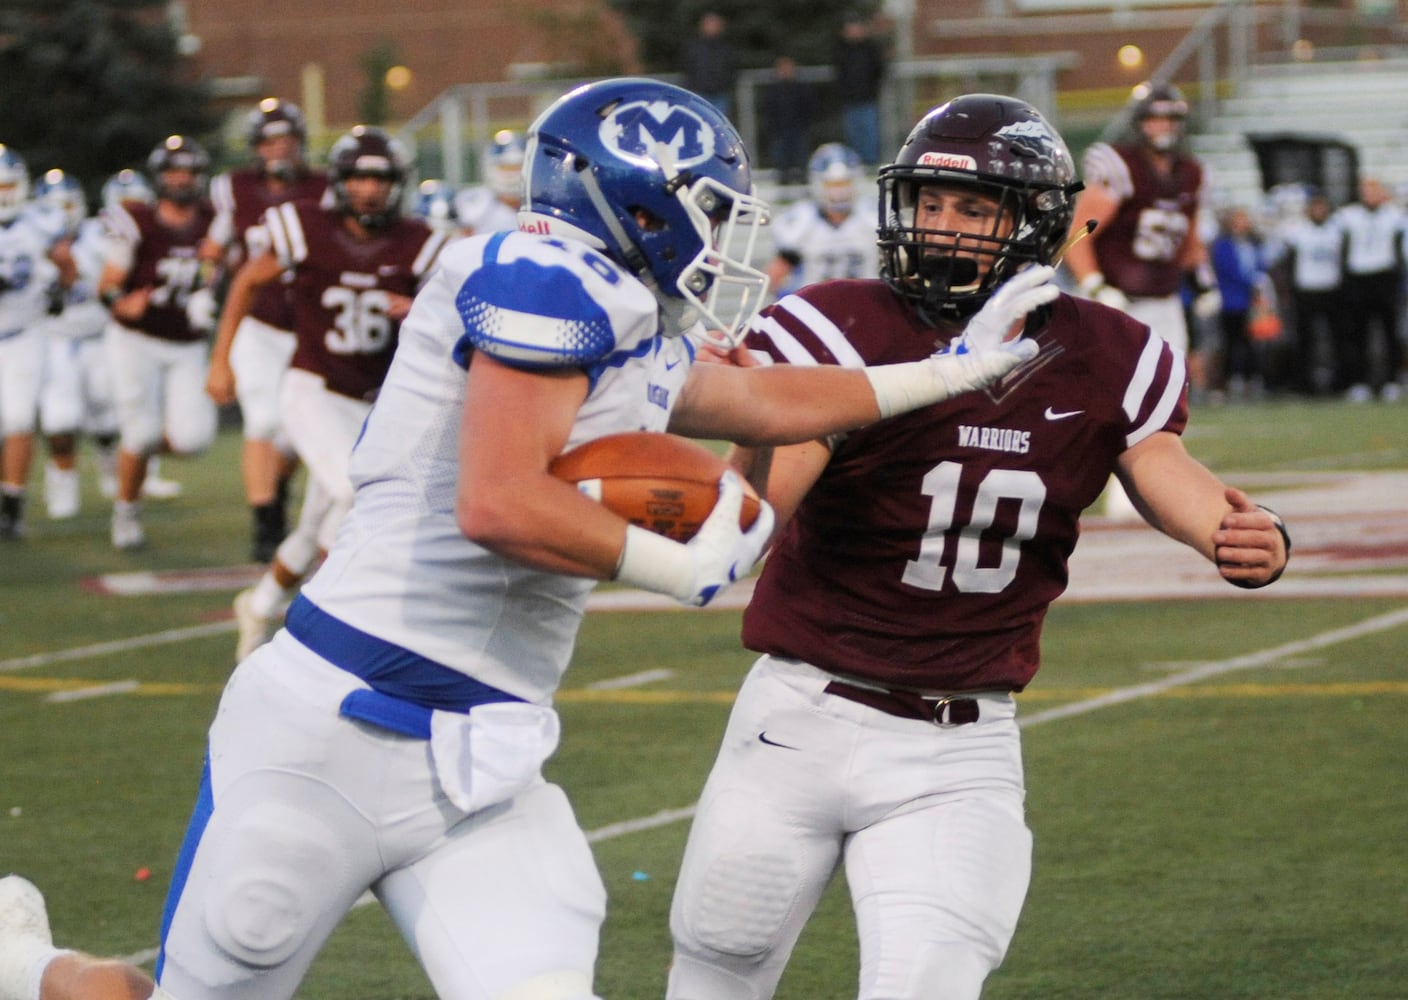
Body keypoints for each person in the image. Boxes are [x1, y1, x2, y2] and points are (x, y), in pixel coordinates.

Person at [0, 78, 1043, 1000]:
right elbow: (496, 502)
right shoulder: (541, 275)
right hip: (333, 728)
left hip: (484, 755)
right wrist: (675, 565)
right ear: (636, 198)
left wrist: (946, 370)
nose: (724, 237)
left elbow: (759, 398)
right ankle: (22, 964)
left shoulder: (626, 310)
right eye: (711, 209)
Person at [666, 93, 1291, 1000]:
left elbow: (1162, 466)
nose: (941, 226)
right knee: (717, 972)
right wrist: (750, 436)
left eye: (972, 208)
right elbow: (750, 519)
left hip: (960, 746)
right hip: (796, 719)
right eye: (928, 202)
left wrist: (1235, 531)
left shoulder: (1112, 351)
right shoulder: (837, 324)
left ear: (1034, 222)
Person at [209, 125, 450, 662]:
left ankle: (262, 600)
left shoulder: (418, 242)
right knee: (352, 493)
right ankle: (320, 624)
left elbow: (451, 314)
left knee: (319, 519)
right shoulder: (306, 227)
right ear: (340, 182)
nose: (370, 190)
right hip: (313, 388)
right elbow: (247, 281)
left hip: (374, 401)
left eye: (381, 179)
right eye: (360, 178)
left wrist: (419, 312)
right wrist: (221, 358)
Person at [1064, 80, 1208, 517]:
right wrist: (1093, 285)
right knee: (1111, 401)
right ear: (1139, 123)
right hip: (1120, 301)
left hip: (1164, 299)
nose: (1162, 126)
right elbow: (1080, 232)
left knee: (1166, 402)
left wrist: (1204, 284)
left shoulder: (1191, 172)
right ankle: (1091, 489)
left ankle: (1149, 492)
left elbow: (1190, 238)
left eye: (1170, 118)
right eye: (1154, 117)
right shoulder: (1119, 165)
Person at [202, 98, 330, 561]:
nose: (278, 149)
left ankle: (274, 496)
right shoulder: (235, 189)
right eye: (269, 141)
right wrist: (202, 291)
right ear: (256, 148)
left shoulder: (326, 188)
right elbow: (212, 250)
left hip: (310, 324)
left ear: (300, 144)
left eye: (286, 141)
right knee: (263, 420)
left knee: (297, 431)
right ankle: (265, 524)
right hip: (258, 322)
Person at [98, 135, 218, 550]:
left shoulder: (214, 219)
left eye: (189, 172)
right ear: (160, 178)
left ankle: (135, 452)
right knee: (142, 431)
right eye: (174, 171)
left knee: (193, 439)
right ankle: (126, 515)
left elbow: (224, 268)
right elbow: (108, 286)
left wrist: (214, 291)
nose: (182, 179)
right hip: (138, 339)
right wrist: (121, 303)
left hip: (187, 342)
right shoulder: (137, 220)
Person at [31, 169, 120, 520]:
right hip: (56, 340)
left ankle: (110, 469)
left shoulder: (100, 236)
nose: (61, 213)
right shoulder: (29, 240)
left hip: (100, 337)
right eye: (52, 206)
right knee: (60, 419)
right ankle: (62, 483)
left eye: (66, 204)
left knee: (107, 413)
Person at [0, 145, 69, 539]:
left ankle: (13, 505)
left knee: (19, 419)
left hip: (24, 332)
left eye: (8, 185)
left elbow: (67, 263)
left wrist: (60, 286)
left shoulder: (41, 221)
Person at [766, 142, 878, 298]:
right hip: (815, 312)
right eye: (832, 185)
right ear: (818, 184)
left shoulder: (873, 218)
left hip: (865, 307)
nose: (839, 192)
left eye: (844, 184)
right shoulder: (802, 221)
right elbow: (774, 278)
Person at [1333, 176, 1405, 402]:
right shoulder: (1348, 215)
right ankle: (1360, 382)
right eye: (1366, 190)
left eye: (1374, 190)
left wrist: (1397, 277)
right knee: (1358, 333)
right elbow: (1342, 248)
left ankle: (1392, 381)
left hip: (1384, 276)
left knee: (1390, 331)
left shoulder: (1394, 216)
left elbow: (1398, 250)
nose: (1370, 195)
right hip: (1358, 278)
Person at [1266, 189, 1345, 395]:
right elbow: (1285, 263)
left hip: (1331, 289)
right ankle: (1304, 383)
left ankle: (1339, 382)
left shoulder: (1336, 230)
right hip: (1306, 290)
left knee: (1337, 339)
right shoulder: (1297, 232)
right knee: (1304, 340)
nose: (1319, 211)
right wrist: (1288, 291)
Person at [1209, 206, 1274, 399]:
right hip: (1232, 300)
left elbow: (1262, 264)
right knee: (1232, 341)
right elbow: (1227, 270)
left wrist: (1260, 281)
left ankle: (1253, 377)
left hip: (1253, 302)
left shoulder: (1253, 244)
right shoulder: (1223, 245)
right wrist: (1252, 281)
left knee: (1253, 341)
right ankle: (1231, 379)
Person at [831, 13, 887, 166]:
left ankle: (870, 163)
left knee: (869, 133)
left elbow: (879, 69)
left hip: (867, 98)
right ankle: (855, 164)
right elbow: (839, 71)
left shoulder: (870, 48)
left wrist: (873, 88)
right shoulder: (842, 49)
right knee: (853, 135)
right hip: (850, 99)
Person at [452, 129, 525, 236]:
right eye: (504, 167)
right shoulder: (473, 203)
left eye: (517, 166)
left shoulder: (541, 204)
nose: (511, 173)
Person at [760, 55, 814, 185]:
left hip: (798, 126)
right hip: (779, 128)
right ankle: (782, 178)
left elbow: (808, 107)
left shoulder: (801, 88)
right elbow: (768, 109)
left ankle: (802, 177)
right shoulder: (773, 89)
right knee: (780, 155)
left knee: (801, 154)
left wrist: (805, 122)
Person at [681, 11, 739, 119]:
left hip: (721, 94)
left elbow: (732, 69)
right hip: (698, 93)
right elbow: (688, 67)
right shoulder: (693, 47)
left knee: (719, 124)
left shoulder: (726, 48)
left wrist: (726, 85)